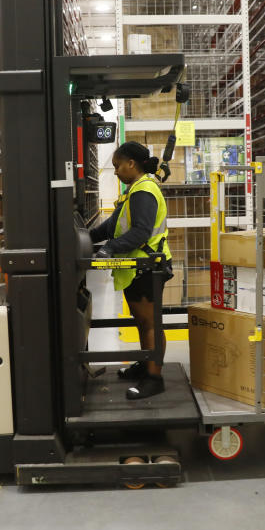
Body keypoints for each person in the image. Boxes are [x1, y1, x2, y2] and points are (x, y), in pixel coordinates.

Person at [90, 141, 172, 400]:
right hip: (137, 267)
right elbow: (112, 225)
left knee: (150, 325)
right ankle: (145, 363)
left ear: (131, 164)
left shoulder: (144, 190)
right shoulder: (132, 191)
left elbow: (140, 231)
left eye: (117, 166)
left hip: (148, 267)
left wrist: (110, 249)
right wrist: (85, 237)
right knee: (142, 322)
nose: (115, 171)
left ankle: (154, 378)